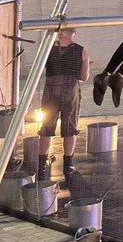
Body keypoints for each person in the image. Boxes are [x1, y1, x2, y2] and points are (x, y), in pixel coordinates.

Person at [38, 28, 89, 176]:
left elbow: (40, 70)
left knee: (46, 127)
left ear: (59, 33)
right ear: (73, 33)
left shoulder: (47, 48)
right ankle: (68, 166)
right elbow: (84, 77)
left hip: (50, 90)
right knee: (70, 127)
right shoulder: (82, 52)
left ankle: (41, 166)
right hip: (70, 91)